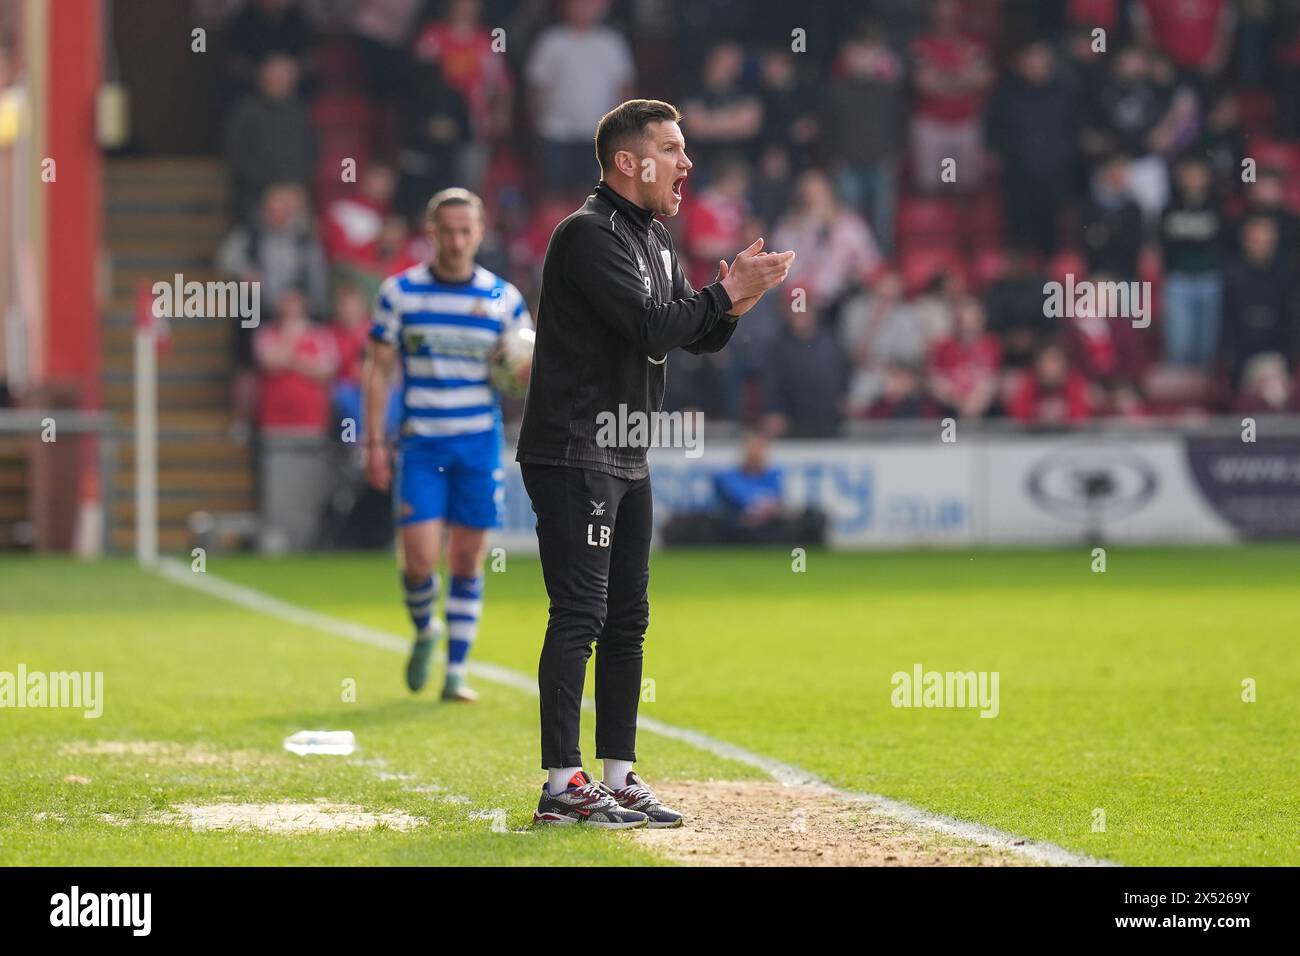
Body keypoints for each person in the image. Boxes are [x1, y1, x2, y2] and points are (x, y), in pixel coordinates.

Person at [515, 99, 793, 828]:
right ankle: (559, 784)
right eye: (671, 149)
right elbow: (652, 325)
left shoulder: (656, 238)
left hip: (627, 446)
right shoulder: (587, 235)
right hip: (575, 448)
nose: (686, 163)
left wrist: (733, 304)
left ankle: (618, 774)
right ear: (627, 162)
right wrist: (724, 295)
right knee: (580, 611)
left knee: (628, 618)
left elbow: (691, 338)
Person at [362, 188, 534, 703]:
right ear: (430, 233)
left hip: (478, 444)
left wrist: (523, 376)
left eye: (467, 231)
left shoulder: (504, 299)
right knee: (418, 560)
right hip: (422, 445)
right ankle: (425, 631)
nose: (457, 241)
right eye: (448, 231)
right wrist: (373, 440)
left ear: (480, 233)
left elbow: (526, 369)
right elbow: (379, 370)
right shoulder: (400, 293)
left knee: (466, 558)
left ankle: (456, 670)